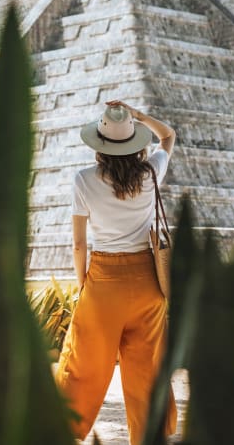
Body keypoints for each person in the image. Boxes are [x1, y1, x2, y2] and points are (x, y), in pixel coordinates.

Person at [55, 100, 178, 442]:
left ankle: (61, 428)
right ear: (136, 144)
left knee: (83, 364)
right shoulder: (152, 171)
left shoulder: (83, 180)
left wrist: (84, 285)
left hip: (102, 283)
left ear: (100, 145)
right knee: (147, 370)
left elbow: (79, 244)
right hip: (147, 285)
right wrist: (138, 116)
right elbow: (168, 136)